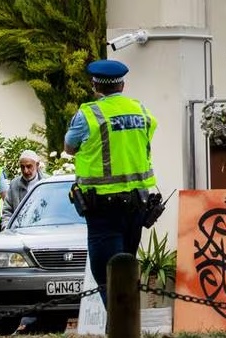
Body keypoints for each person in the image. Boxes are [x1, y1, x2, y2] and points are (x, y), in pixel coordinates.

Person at [65, 59, 157, 303]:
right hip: (137, 203)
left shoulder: (89, 114)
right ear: (123, 85)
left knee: (106, 272)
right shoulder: (142, 111)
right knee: (126, 268)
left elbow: (69, 147)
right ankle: (124, 326)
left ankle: (119, 328)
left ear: (95, 86)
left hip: (103, 208)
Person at [5, 150, 45, 215]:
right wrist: (6, 224)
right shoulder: (14, 184)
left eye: (29, 166)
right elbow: (7, 211)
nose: (25, 171)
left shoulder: (47, 182)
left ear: (37, 165)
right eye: (22, 167)